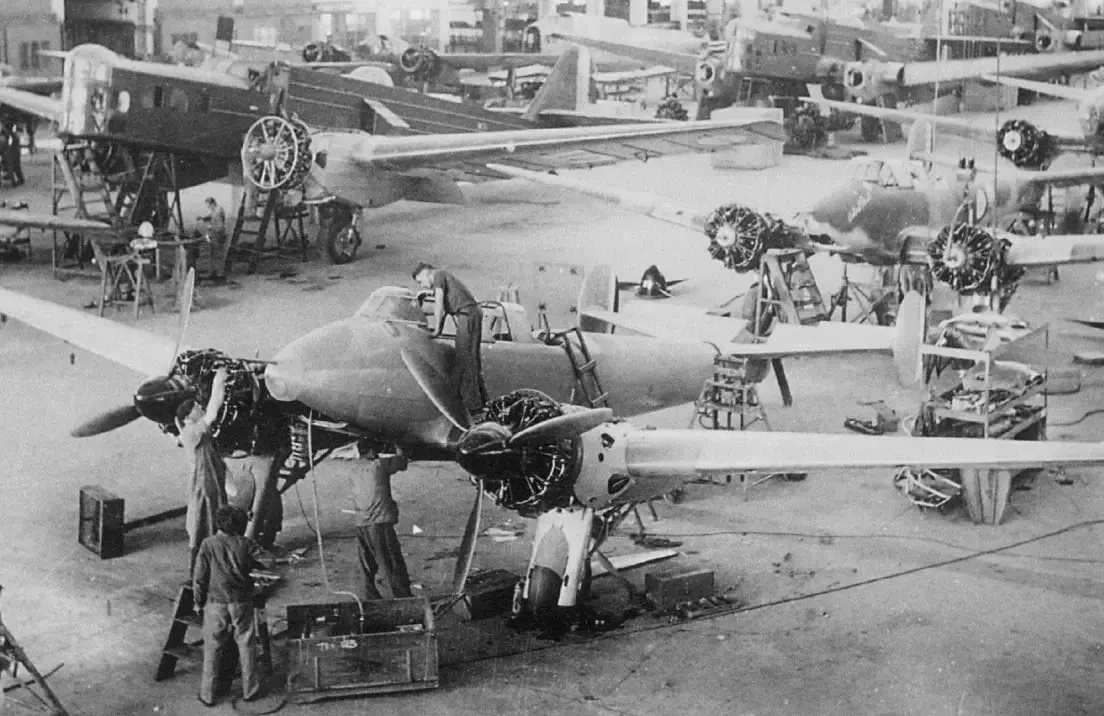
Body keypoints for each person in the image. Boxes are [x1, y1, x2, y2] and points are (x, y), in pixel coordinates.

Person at [192, 505, 274, 707]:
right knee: (246, 644)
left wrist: (198, 602)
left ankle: (208, 695)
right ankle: (250, 691)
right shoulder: (245, 543)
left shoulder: (208, 544)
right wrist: (252, 564)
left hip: (216, 603)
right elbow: (270, 561)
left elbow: (199, 577)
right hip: (241, 601)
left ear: (218, 523)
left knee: (212, 647)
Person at [176, 367, 231, 573]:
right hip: (205, 485)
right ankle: (197, 572)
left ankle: (208, 569)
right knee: (203, 526)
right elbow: (213, 413)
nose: (200, 408)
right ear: (189, 415)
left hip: (210, 481)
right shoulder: (193, 432)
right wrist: (219, 381)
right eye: (197, 407)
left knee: (208, 524)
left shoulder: (188, 431)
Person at [412, 262, 487, 413]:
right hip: (468, 314)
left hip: (468, 314)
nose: (422, 286)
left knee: (465, 358)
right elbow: (445, 310)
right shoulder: (443, 278)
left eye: (420, 281)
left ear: (427, 273)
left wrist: (436, 330)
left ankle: (474, 407)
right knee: (469, 358)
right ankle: (483, 401)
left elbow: (439, 305)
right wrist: (438, 330)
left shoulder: (439, 275)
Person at [353, 450, 413, 601]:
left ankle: (369, 597)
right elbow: (402, 461)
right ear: (371, 451)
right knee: (391, 563)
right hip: (378, 522)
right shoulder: (379, 465)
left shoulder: (354, 469)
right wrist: (399, 445)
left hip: (361, 522)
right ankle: (403, 599)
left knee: (366, 563)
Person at [198, 197, 229, 282]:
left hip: (218, 235)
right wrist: (203, 218)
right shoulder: (215, 210)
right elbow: (211, 215)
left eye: (208, 206)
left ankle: (219, 274)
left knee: (217, 255)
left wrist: (211, 227)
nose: (208, 208)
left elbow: (220, 226)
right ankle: (214, 273)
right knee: (213, 254)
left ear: (212, 204)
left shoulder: (218, 212)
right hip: (215, 235)